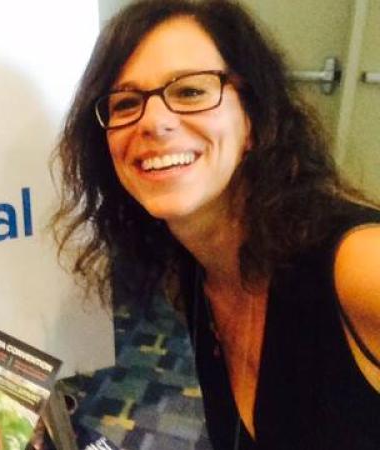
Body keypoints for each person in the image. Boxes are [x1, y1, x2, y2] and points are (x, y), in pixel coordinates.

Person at [51, 1, 380, 449]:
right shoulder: (191, 272)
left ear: (255, 121)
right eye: (127, 102)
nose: (154, 122)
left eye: (190, 92)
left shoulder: (358, 264)